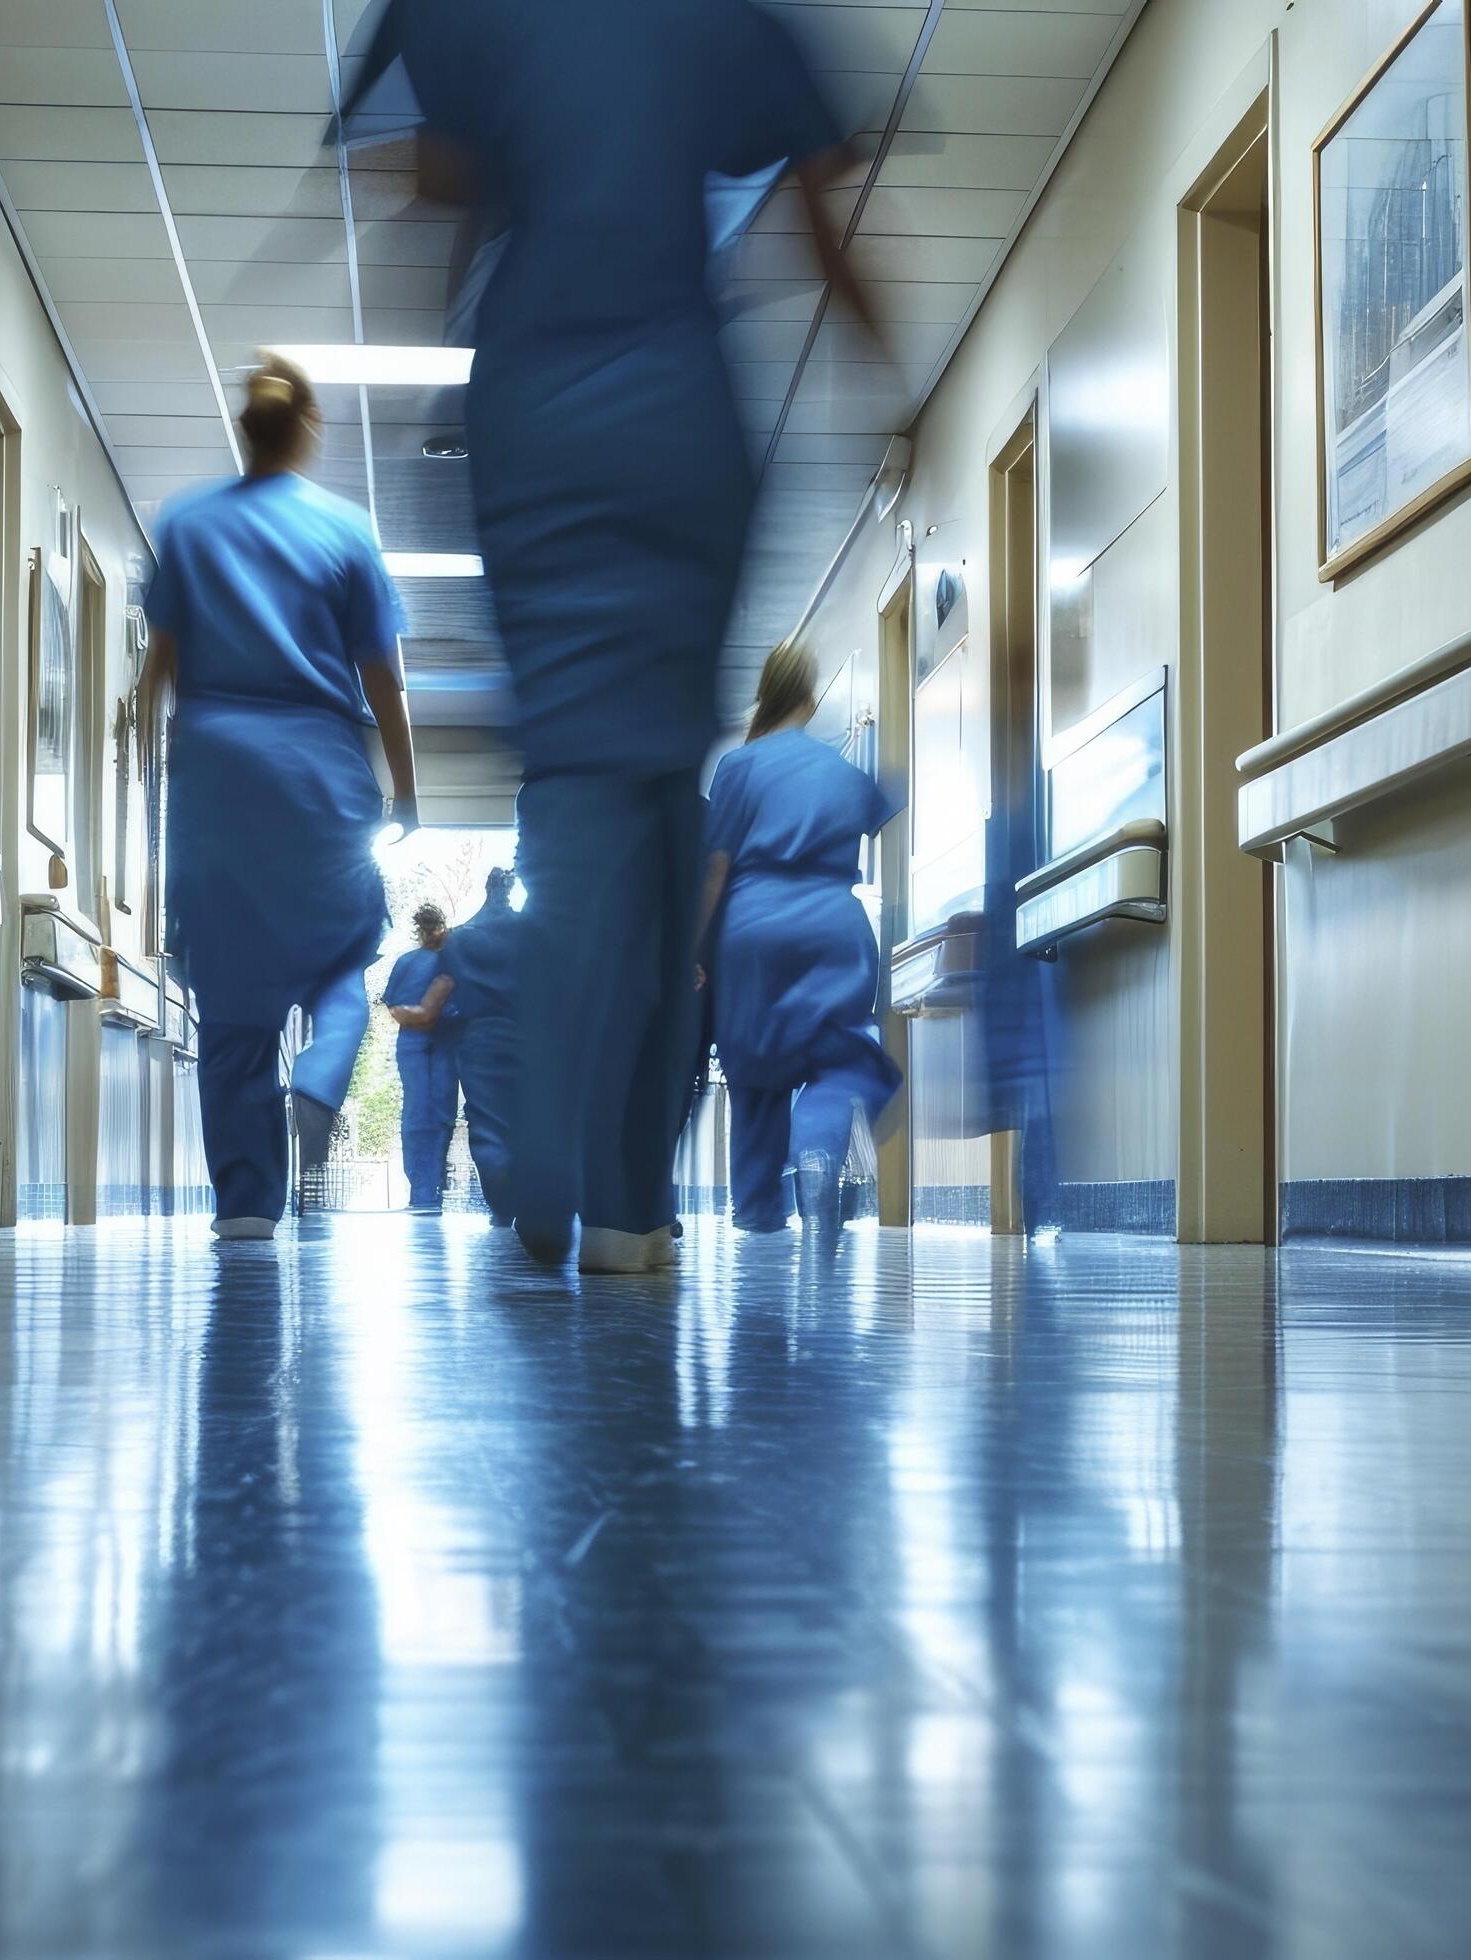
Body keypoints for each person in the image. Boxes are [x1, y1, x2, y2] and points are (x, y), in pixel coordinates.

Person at [358, 0, 881, 1274]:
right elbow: (820, 217)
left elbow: (433, 178)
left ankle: (569, 1164)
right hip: (676, 404)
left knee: (589, 770)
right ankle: (630, 1197)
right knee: (654, 778)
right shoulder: (727, 15)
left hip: (535, 396)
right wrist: (889, 376)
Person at [144, 357, 418, 1240]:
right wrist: (405, 792)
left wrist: (163, 774)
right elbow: (382, 677)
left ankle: (246, 1209)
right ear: (305, 428)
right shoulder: (344, 531)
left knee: (229, 998)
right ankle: (316, 1083)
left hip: (218, 773)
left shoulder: (186, 525)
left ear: (243, 428)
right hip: (316, 773)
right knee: (341, 959)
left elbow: (161, 670)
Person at [696, 646, 899, 1241]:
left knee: (757, 1076)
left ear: (766, 696)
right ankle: (816, 1156)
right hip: (834, 921)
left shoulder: (738, 766)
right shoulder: (844, 771)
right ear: (811, 701)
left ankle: (760, 1216)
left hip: (753, 926)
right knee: (835, 1061)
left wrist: (693, 950)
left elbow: (715, 868)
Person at [437, 864, 523, 1221]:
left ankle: (502, 1202)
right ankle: (525, 1190)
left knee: (486, 1120)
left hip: (478, 1037)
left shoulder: (459, 937)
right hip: (529, 1034)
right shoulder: (531, 932)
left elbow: (447, 995)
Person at [383, 903, 462, 1213]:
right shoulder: (449, 961)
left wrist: (417, 1015)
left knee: (420, 1111)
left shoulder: (410, 962)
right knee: (436, 1111)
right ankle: (427, 1188)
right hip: (437, 1041)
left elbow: (393, 1006)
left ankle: (423, 1189)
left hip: (421, 1042)